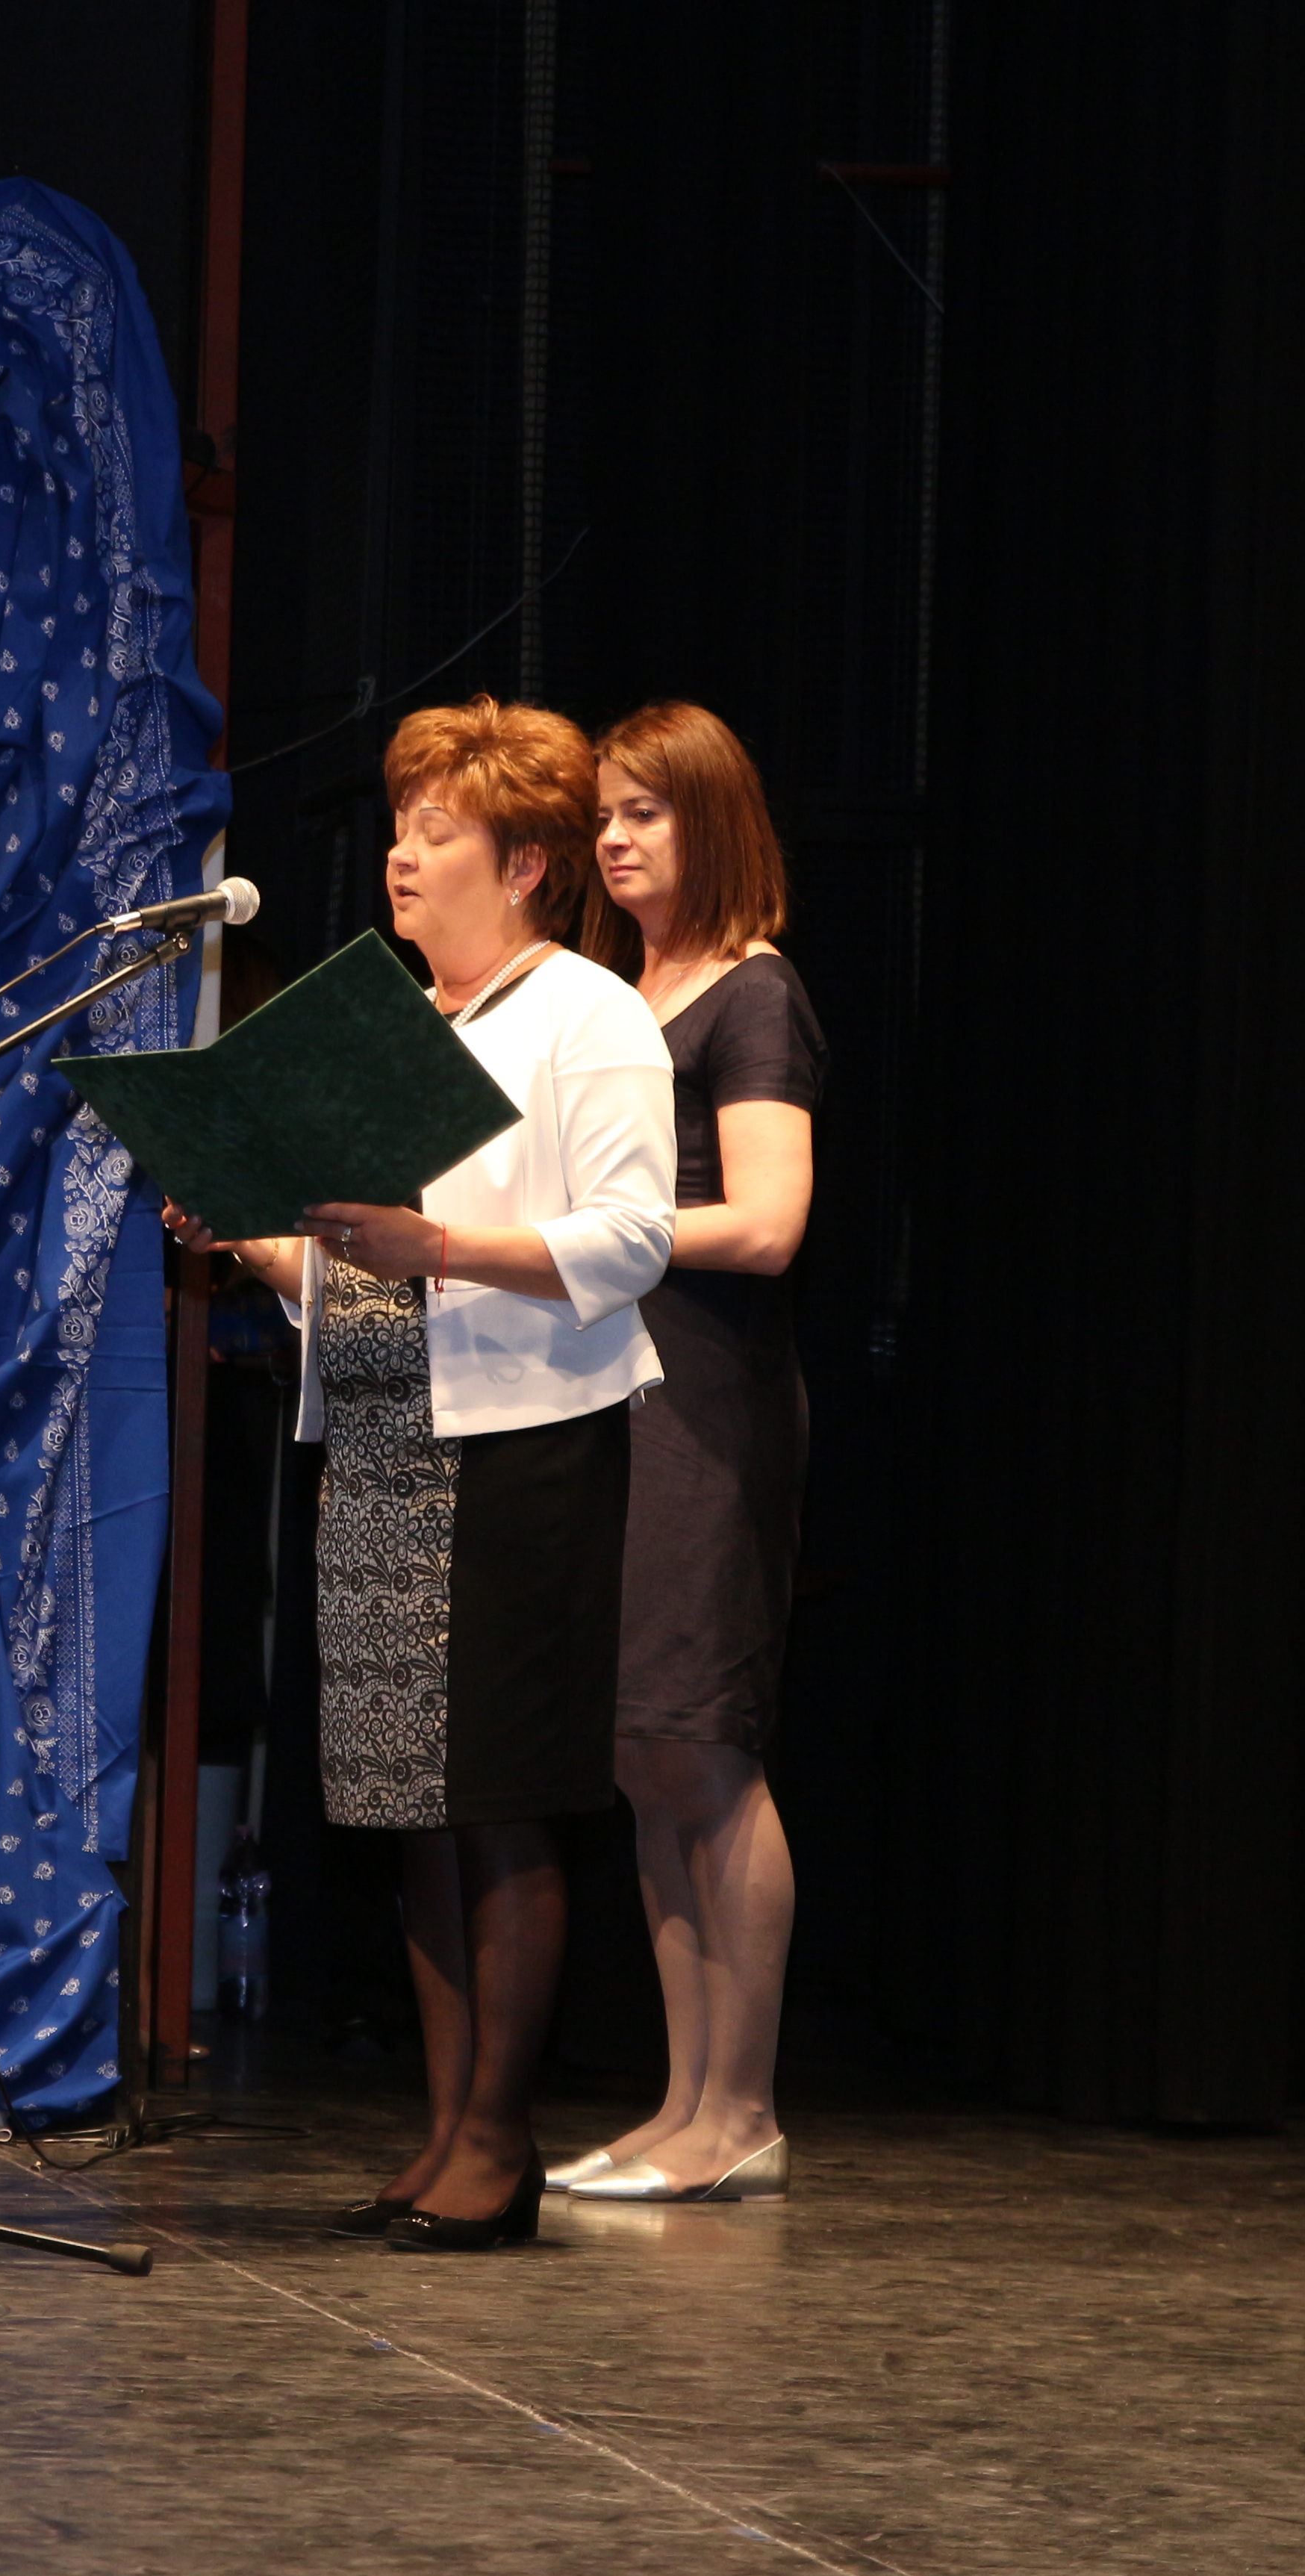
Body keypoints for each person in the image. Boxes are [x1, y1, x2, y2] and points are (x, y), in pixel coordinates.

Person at [164, 697, 676, 2251]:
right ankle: (448, 2128)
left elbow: (631, 1240)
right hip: (385, 1431)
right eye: (399, 827)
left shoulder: (587, 1014)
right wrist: (257, 1241)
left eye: (436, 831)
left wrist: (434, 1242)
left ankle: (501, 2144)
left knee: (499, 1805)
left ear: (522, 865)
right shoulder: (405, 1027)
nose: (401, 856)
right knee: (412, 1805)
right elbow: (365, 1277)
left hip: (522, 1448)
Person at [559, 700, 821, 2205]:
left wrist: (596, 1236)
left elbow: (771, 1222)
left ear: (712, 821)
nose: (612, 838)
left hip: (709, 1410)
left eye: (644, 811)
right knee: (642, 1755)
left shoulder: (754, 992)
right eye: (604, 813)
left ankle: (744, 2112)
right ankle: (681, 2105)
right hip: (611, 1397)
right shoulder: (615, 996)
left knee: (706, 1753)